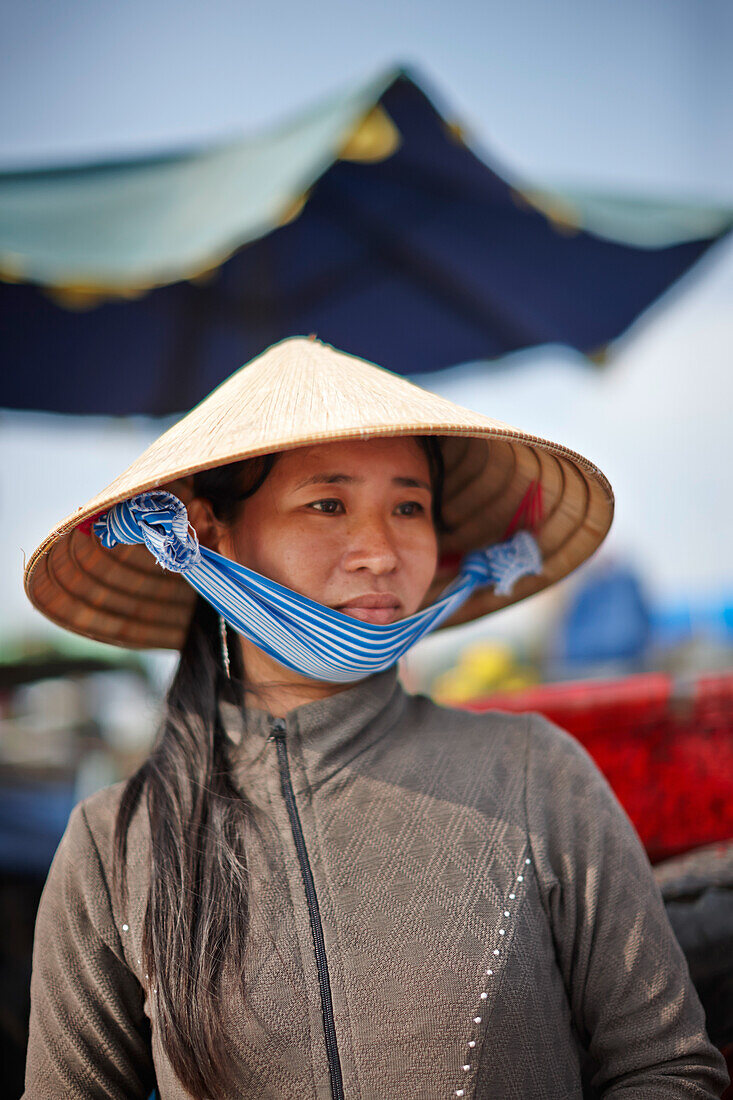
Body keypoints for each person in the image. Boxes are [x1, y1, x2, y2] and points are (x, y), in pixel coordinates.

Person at [23, 337, 728, 1099]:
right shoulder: (112, 845)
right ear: (205, 530)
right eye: (327, 504)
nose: (381, 551)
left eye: (408, 507)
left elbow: (666, 1068)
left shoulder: (535, 771)